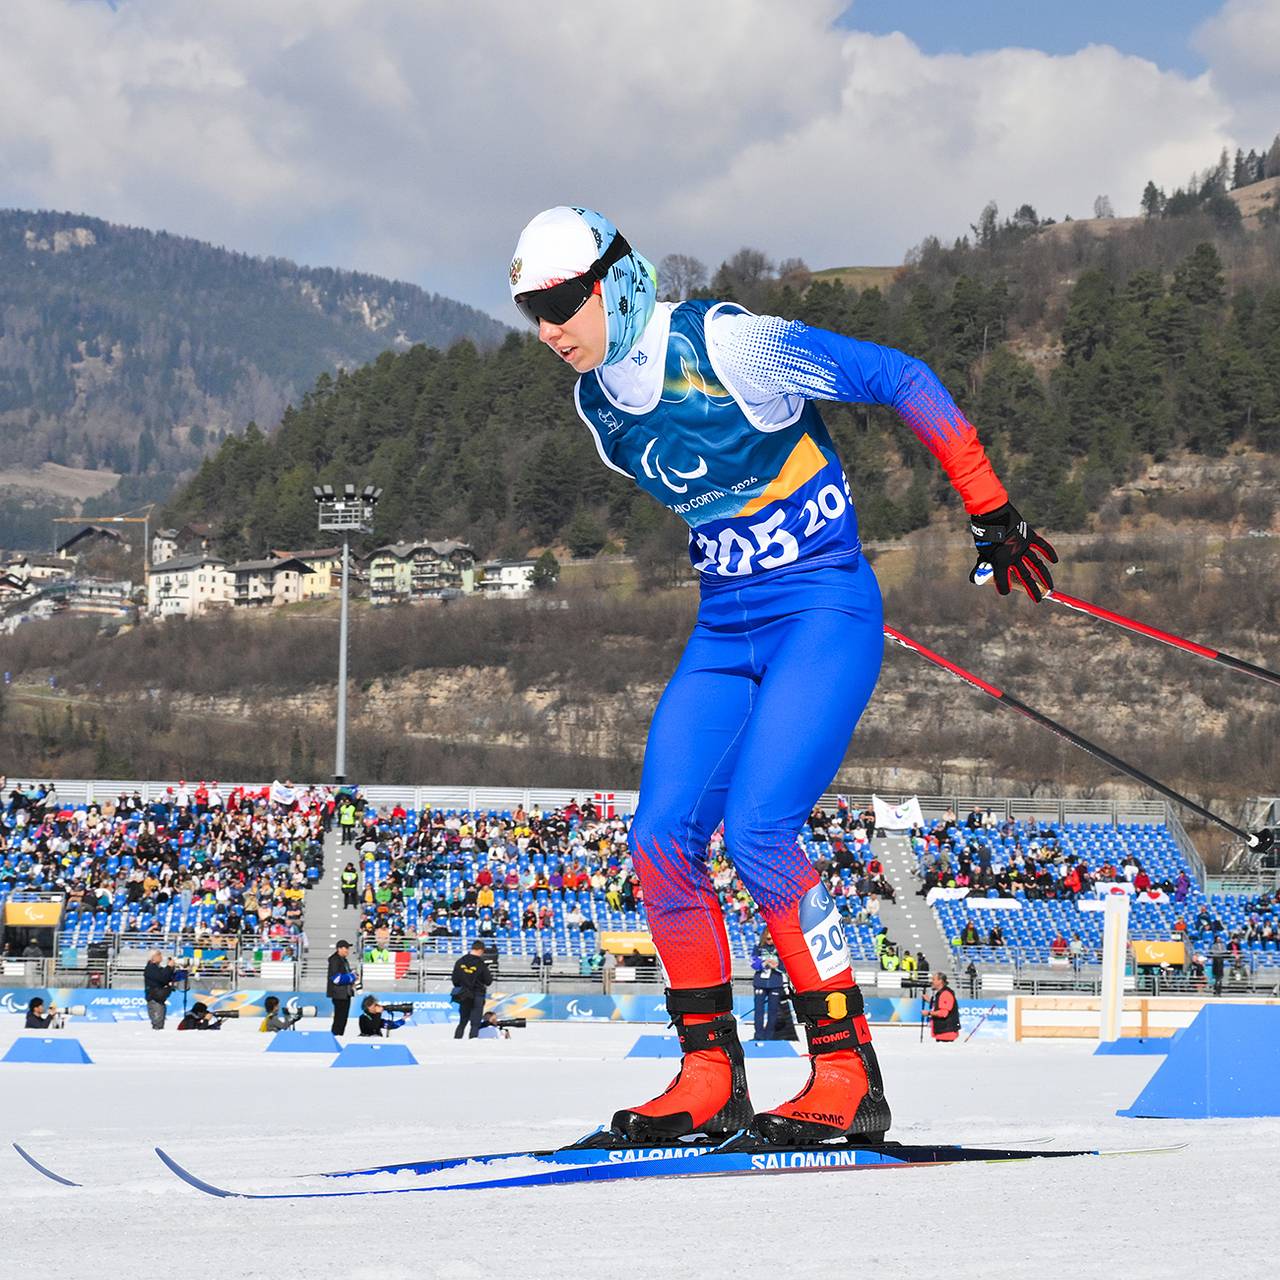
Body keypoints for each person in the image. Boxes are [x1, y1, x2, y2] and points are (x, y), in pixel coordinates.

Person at [509, 205, 1057, 1144]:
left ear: (616, 278)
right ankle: (709, 1079)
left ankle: (847, 1077)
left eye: (563, 301)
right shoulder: (596, 405)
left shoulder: (731, 347)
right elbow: (717, 497)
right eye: (534, 312)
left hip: (822, 617)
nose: (552, 328)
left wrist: (990, 509)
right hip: (726, 633)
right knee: (659, 840)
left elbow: (900, 377)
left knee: (760, 831)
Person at [451, 941, 492, 1040]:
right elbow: (488, 981)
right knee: (475, 1022)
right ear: (480, 950)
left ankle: (457, 1040)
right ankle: (473, 1040)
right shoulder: (481, 964)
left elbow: (454, 979)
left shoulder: (460, 961)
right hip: (478, 994)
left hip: (464, 994)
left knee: (463, 1021)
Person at [750, 928, 785, 1041]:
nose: (770, 941)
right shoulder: (758, 947)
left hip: (775, 983)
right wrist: (764, 963)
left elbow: (786, 966)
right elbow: (752, 963)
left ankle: (769, 1036)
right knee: (759, 1010)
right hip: (760, 983)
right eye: (768, 938)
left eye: (772, 938)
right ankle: (759, 1035)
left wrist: (777, 965)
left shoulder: (780, 948)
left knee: (773, 1011)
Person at [143, 951, 184, 1031]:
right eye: (158, 955)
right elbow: (162, 978)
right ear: (153, 958)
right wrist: (169, 967)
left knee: (160, 1023)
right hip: (154, 999)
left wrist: (175, 969)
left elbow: (168, 977)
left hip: (159, 999)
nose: (161, 956)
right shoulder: (150, 968)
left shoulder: (158, 968)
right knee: (157, 1024)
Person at [327, 940, 357, 1035]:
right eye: (346, 948)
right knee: (339, 1019)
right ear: (339, 948)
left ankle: (338, 1036)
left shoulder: (343, 960)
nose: (348, 950)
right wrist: (351, 977)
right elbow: (336, 978)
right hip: (339, 994)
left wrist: (353, 975)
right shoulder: (335, 960)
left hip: (345, 994)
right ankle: (335, 1037)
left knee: (343, 1019)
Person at [926, 973, 961, 1043]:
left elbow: (944, 1013)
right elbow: (940, 1006)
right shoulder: (942, 993)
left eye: (933, 979)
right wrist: (930, 1001)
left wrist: (928, 1013)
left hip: (946, 1033)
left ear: (940, 981)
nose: (931, 981)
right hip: (943, 1032)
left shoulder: (945, 994)